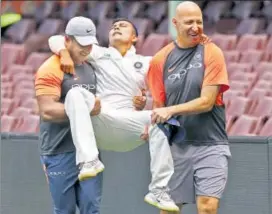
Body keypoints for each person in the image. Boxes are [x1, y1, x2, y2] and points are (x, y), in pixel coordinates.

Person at [48, 17, 180, 212]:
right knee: (75, 93)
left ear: (134, 37)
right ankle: (88, 161)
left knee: (165, 119)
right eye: (113, 26)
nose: (117, 27)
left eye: (123, 26)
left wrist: (146, 105)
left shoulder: (146, 62)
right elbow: (55, 39)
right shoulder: (97, 53)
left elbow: (168, 88)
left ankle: (159, 189)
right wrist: (64, 53)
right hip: (101, 119)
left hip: (130, 127)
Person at [147, 1, 232, 214]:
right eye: (189, 22)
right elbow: (159, 105)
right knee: (170, 209)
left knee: (208, 207)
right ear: (175, 23)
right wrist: (150, 127)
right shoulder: (160, 59)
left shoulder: (212, 52)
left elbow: (207, 101)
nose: (195, 26)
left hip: (211, 144)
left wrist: (171, 110)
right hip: (177, 147)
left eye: (199, 21)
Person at [35, 17, 103, 214]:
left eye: (91, 44)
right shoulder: (50, 68)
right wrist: (84, 109)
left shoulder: (91, 64)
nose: (87, 49)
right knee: (64, 211)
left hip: (89, 153)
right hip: (58, 151)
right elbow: (47, 111)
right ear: (68, 40)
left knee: (92, 210)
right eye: (82, 44)